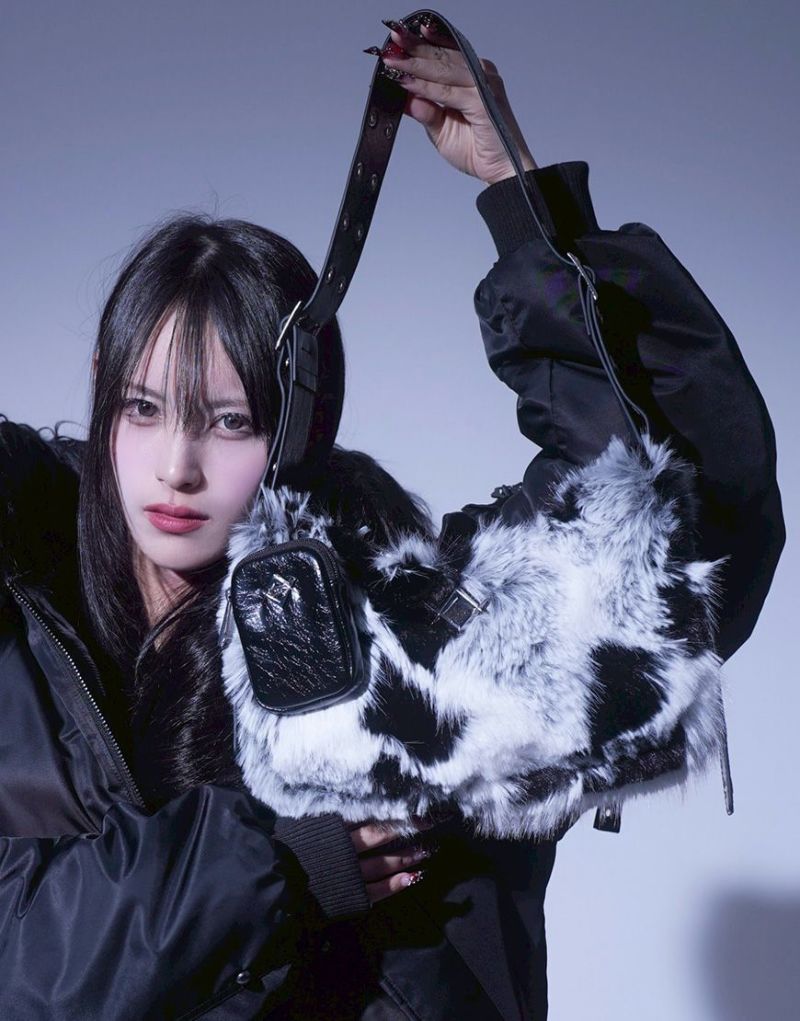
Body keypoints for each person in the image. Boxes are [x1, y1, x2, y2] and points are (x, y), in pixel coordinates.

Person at [0, 12, 785, 1021]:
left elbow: (679, 515)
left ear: (302, 424)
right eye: (145, 408)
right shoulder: (23, 633)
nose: (177, 466)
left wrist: (526, 208)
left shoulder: (413, 646)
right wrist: (274, 858)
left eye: (229, 420)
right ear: (103, 393)